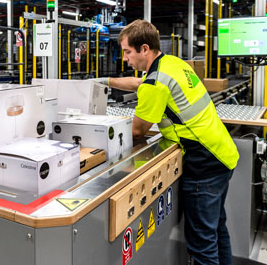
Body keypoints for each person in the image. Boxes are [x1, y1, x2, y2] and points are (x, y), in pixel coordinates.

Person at [101, 20, 239, 265]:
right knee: (217, 230)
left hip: (202, 165)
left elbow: (136, 131)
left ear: (144, 49)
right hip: (222, 155)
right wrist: (105, 82)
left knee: (202, 245)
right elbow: (139, 83)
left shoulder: (157, 82)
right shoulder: (172, 63)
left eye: (127, 52)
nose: (125, 59)